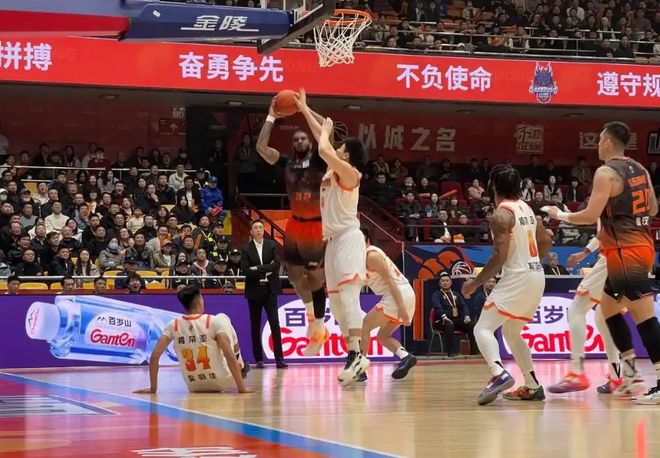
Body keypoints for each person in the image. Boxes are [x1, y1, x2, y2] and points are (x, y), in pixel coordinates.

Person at [544, 122, 660, 404]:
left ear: (608, 142)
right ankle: (629, 375)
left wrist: (559, 215)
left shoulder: (606, 172)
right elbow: (654, 208)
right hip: (640, 247)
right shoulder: (641, 169)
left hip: (626, 252)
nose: (597, 145)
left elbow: (588, 215)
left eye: (599, 140)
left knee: (644, 318)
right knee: (607, 310)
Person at [296, 90, 370, 385]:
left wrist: (325, 133)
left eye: (341, 148)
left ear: (347, 155)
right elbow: (323, 140)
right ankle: (354, 358)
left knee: (350, 298)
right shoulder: (333, 167)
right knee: (338, 305)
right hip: (333, 242)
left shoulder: (350, 174)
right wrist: (304, 109)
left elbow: (325, 146)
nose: (335, 148)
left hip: (349, 238)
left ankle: (358, 353)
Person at [462, 164, 552, 405]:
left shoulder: (501, 215)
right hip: (536, 275)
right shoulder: (527, 208)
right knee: (512, 332)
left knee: (482, 328)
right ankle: (533, 387)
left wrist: (475, 283)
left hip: (518, 277)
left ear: (493, 186)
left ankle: (498, 373)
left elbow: (498, 257)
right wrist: (531, 261)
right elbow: (547, 240)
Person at [256, 93, 329, 357]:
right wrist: (271, 116)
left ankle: (318, 326)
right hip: (295, 225)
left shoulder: (321, 160)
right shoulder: (287, 162)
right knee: (295, 276)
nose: (299, 141)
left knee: (315, 277)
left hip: (316, 225)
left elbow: (327, 129)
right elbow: (261, 148)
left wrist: (304, 109)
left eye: (303, 138)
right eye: (295, 139)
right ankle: (314, 320)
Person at [134, 285, 253, 394]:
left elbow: (154, 357)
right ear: (200, 300)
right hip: (221, 381)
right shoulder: (213, 321)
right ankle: (241, 364)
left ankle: (240, 364)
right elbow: (229, 355)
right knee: (224, 317)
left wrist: (153, 388)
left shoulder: (173, 324)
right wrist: (241, 388)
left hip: (193, 385)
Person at [548, 226, 622, 394]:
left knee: (577, 309)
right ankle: (617, 378)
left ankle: (577, 373)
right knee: (604, 318)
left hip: (614, 256)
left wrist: (560, 215)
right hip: (637, 258)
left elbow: (602, 227)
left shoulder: (612, 210)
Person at [360, 227, 417, 380]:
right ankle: (406, 357)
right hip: (401, 294)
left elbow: (391, 282)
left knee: (365, 326)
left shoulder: (371, 255)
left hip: (398, 294)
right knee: (383, 336)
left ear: (367, 240)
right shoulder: (362, 257)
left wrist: (403, 310)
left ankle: (360, 369)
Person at [241, 219, 287, 369]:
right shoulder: (246, 248)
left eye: (261, 227)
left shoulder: (271, 245)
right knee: (255, 324)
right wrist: (265, 270)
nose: (259, 230)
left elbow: (276, 265)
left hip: (270, 289)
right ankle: (258, 358)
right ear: (251, 231)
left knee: (275, 323)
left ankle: (279, 358)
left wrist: (258, 268)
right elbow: (246, 270)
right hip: (254, 291)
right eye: (256, 228)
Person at [432, 273, 477, 356]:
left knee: (471, 324)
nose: (445, 283)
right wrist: (444, 317)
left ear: (451, 282)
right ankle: (451, 352)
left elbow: (463, 306)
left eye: (447, 281)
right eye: (443, 281)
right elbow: (437, 307)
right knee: (449, 325)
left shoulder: (456, 294)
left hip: (457, 320)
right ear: (440, 283)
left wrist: (467, 316)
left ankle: (474, 352)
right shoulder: (436, 294)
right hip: (443, 321)